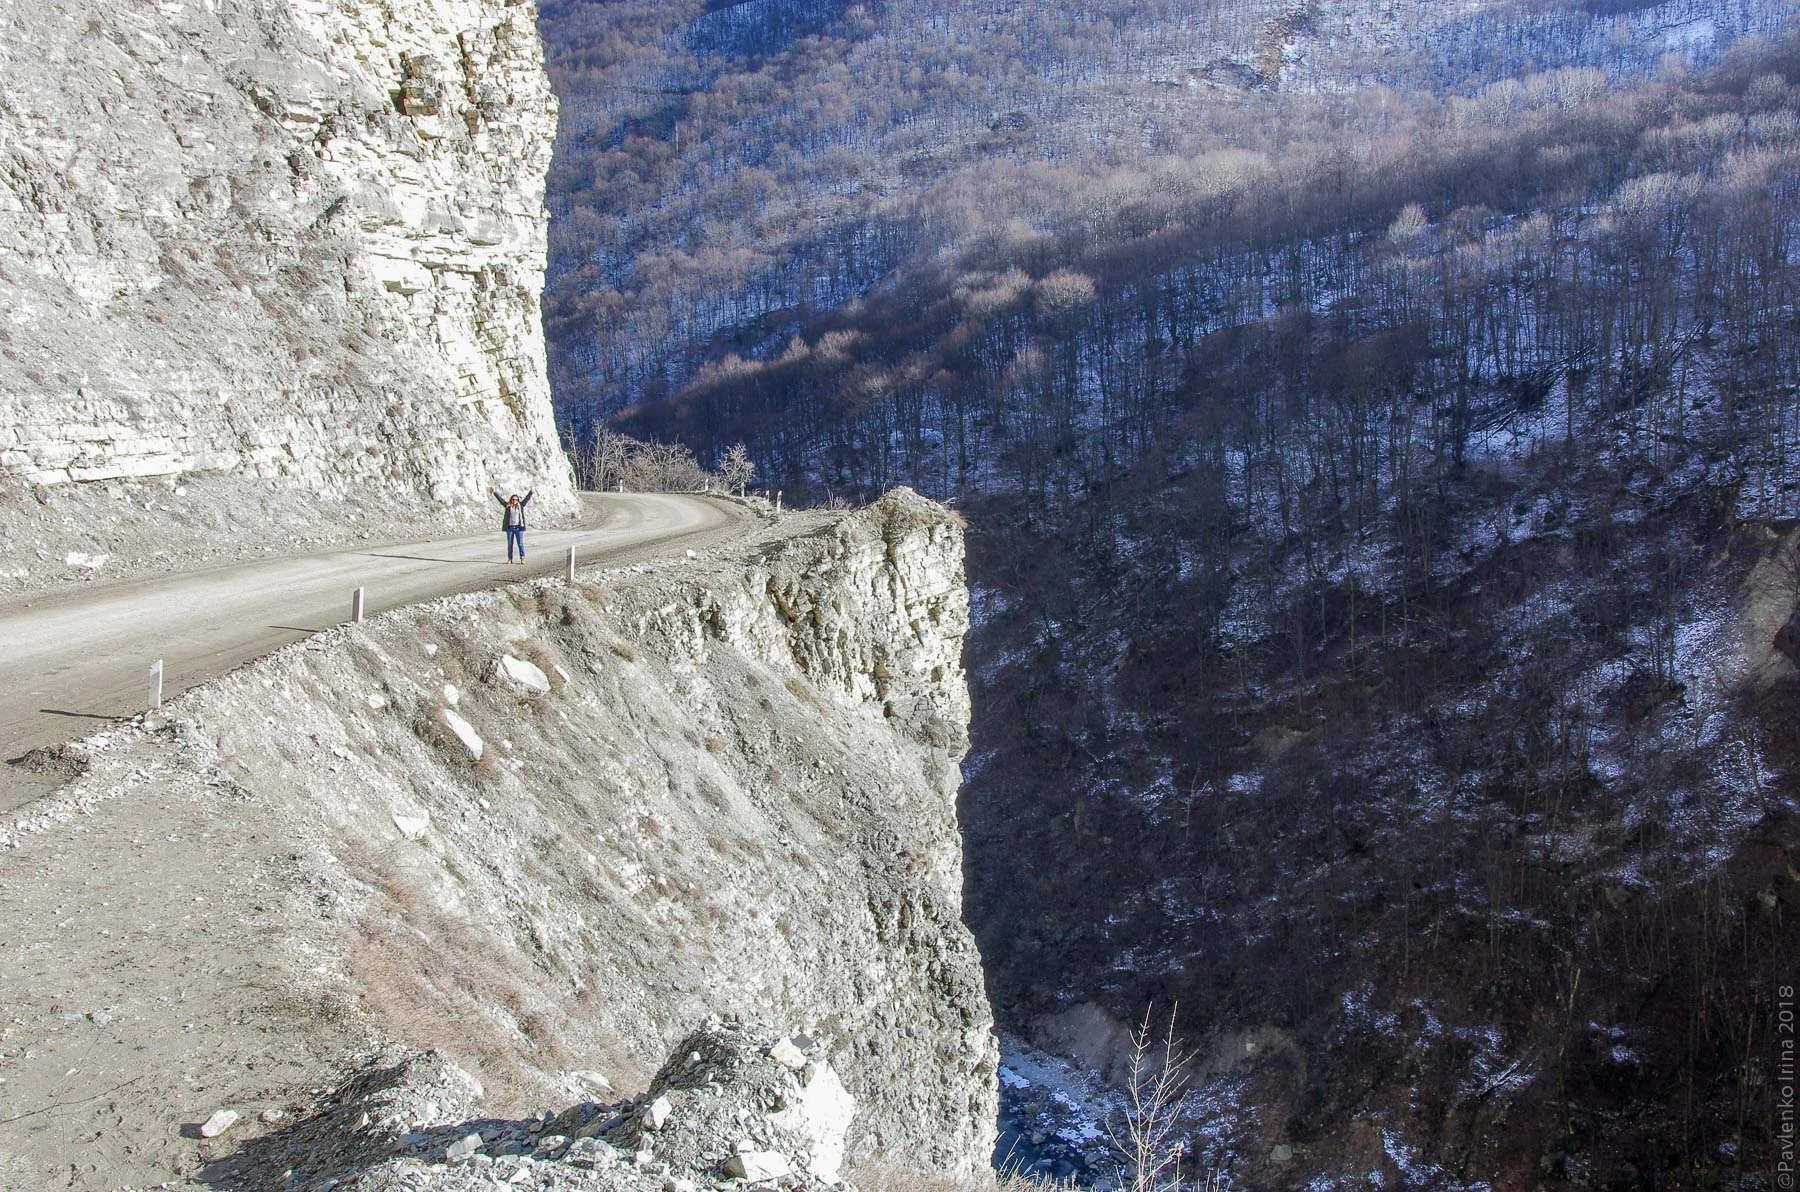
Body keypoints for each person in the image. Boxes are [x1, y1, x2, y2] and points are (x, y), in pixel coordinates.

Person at [490, 486, 534, 564]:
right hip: (509, 528)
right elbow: (501, 500)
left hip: (518, 528)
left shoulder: (521, 506)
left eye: (516, 499)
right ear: (511, 500)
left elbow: (527, 499)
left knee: (520, 544)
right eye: (513, 499)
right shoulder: (508, 506)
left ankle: (522, 558)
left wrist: (531, 492)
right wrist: (494, 492)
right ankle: (510, 559)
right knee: (510, 544)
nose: (514, 501)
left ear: (518, 500)